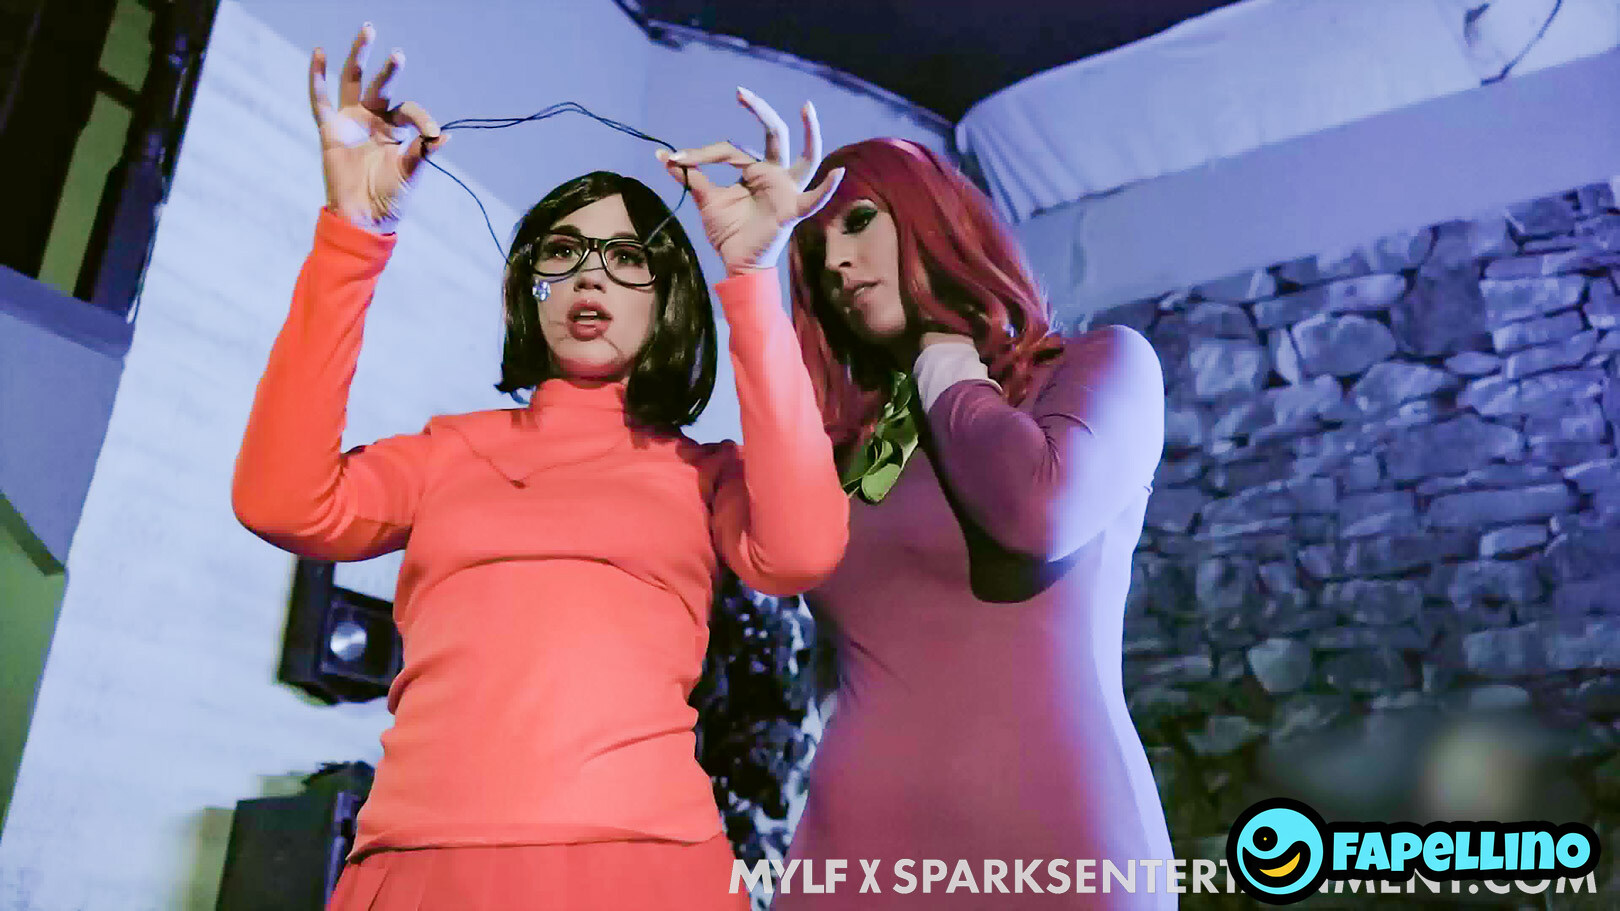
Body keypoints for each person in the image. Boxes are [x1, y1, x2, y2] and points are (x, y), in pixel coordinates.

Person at [230, 23, 849, 910]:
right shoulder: (449, 450)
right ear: (532, 288)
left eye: (626, 258)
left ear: (668, 300)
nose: (589, 277)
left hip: (645, 871)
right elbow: (280, 501)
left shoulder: (703, 472)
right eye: (562, 252)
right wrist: (351, 234)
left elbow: (803, 549)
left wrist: (752, 278)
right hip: (420, 865)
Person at [774, 137, 1176, 908]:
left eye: (858, 220)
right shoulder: (858, 453)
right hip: (853, 860)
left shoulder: (1097, 367)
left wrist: (941, 355)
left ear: (935, 215)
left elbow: (1035, 512)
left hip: (1054, 853)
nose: (837, 263)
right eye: (818, 252)